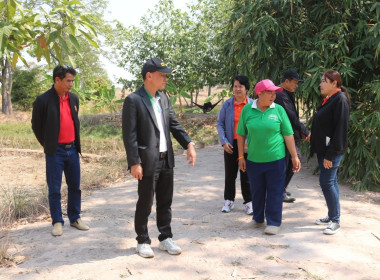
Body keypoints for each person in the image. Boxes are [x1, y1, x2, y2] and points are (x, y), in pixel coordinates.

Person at [122, 57, 197, 258]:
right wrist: (134, 162)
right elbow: (129, 135)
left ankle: (165, 237)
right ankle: (142, 240)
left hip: (166, 159)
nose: (165, 79)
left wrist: (189, 144)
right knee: (145, 202)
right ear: (149, 76)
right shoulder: (134, 100)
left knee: (165, 201)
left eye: (166, 75)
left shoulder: (163, 98)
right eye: (162, 75)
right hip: (146, 161)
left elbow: (174, 125)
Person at [237, 79, 301, 235]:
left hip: (276, 160)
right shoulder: (247, 110)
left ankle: (273, 222)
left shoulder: (278, 110)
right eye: (270, 92)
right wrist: (240, 157)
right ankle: (258, 219)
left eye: (274, 93)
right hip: (254, 160)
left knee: (274, 191)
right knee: (257, 191)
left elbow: (288, 134)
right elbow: (240, 134)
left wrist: (294, 156)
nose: (273, 96)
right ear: (260, 93)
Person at [31, 65, 89, 236]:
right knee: (55, 188)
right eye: (68, 80)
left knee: (75, 186)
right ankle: (57, 221)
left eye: (73, 80)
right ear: (57, 79)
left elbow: (73, 121)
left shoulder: (73, 98)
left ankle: (75, 218)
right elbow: (36, 126)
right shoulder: (43, 100)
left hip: (72, 150)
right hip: (54, 151)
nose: (71, 84)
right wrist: (48, 144)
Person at [310, 70, 350, 235]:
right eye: (321, 81)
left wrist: (330, 156)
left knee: (326, 182)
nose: (320, 84)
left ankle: (335, 220)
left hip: (331, 151)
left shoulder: (339, 99)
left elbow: (340, 130)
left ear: (334, 83)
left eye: (324, 81)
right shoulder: (330, 99)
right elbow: (326, 124)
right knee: (331, 182)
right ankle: (332, 215)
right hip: (325, 149)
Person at [217, 75, 253, 214]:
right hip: (231, 144)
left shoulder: (252, 105)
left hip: (247, 145)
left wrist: (249, 142)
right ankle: (229, 200)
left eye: (240, 86)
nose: (237, 89)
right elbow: (220, 123)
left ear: (246, 89)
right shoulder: (227, 105)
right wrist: (224, 141)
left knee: (246, 174)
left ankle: (249, 202)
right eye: (235, 86)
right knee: (230, 174)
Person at [275, 70, 310, 203]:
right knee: (291, 162)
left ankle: (281, 189)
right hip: (283, 135)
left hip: (288, 134)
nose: (296, 85)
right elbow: (291, 116)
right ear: (286, 81)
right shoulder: (280, 95)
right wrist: (305, 131)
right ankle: (279, 190)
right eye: (295, 82)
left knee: (291, 162)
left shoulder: (286, 94)